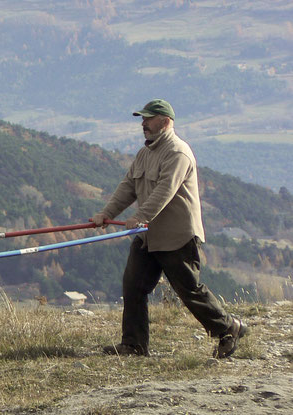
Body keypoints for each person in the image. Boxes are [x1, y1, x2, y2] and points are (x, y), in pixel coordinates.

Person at [91, 99, 247, 358]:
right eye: (142, 118)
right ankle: (134, 345)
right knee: (133, 286)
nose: (143, 123)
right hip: (148, 237)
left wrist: (140, 217)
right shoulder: (145, 153)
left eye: (148, 118)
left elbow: (165, 191)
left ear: (164, 122)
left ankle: (228, 329)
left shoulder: (178, 152)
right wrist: (106, 214)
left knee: (189, 290)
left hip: (177, 236)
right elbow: (128, 186)